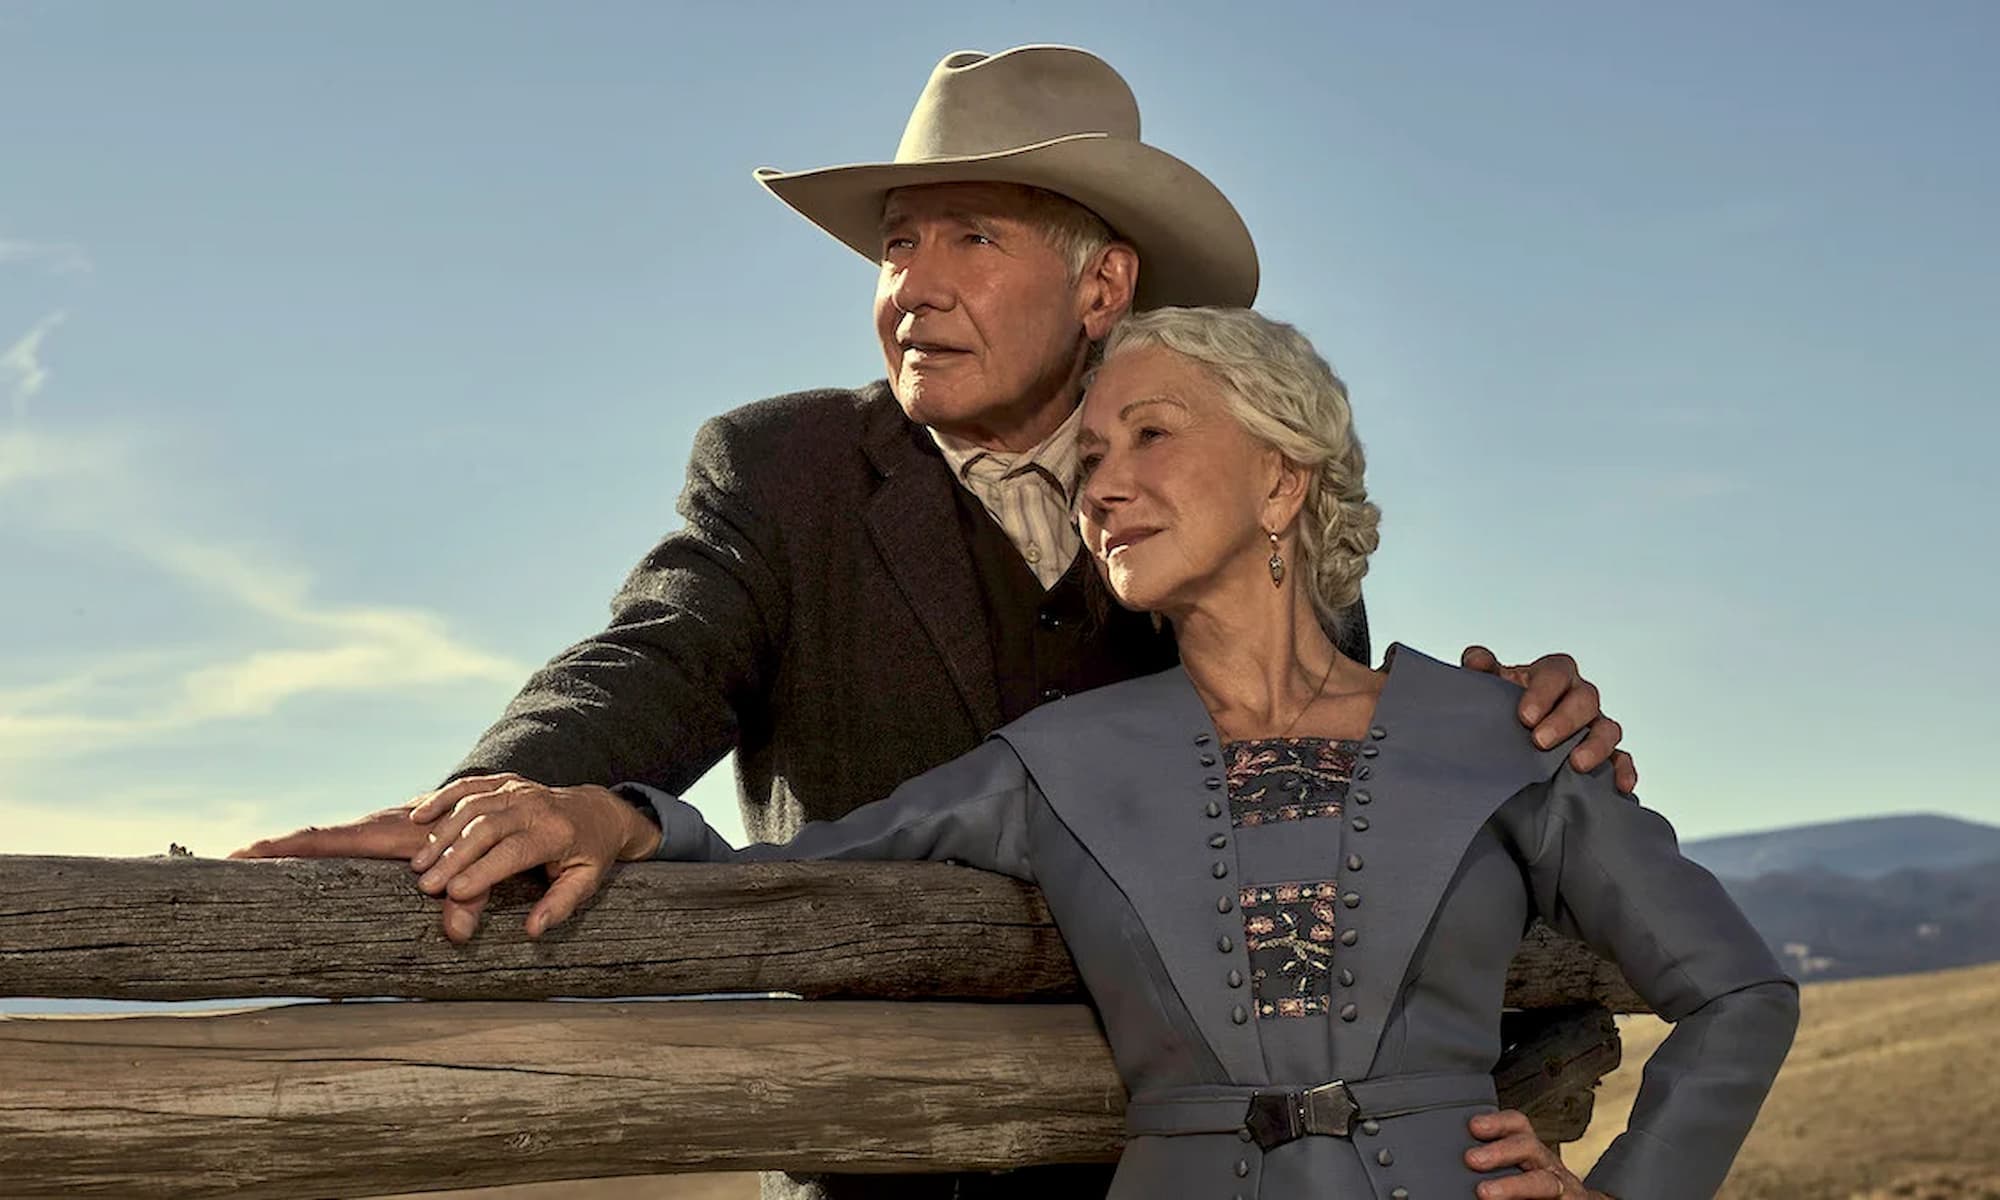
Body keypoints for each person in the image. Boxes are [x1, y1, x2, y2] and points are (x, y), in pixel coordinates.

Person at [236, 46, 1641, 1200]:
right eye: (899, 244)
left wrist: (1500, 751)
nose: (914, 284)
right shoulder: (784, 470)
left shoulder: (1237, 485)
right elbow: (659, 652)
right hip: (882, 1166)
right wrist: (522, 786)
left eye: (974, 236)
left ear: (1103, 288)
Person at [408, 307, 1796, 1200]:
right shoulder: (1053, 764)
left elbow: (1737, 990)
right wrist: (614, 816)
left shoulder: (1501, 735)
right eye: (1090, 459)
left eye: (1151, 436)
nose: (1105, 482)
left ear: (1282, 478)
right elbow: (800, 868)